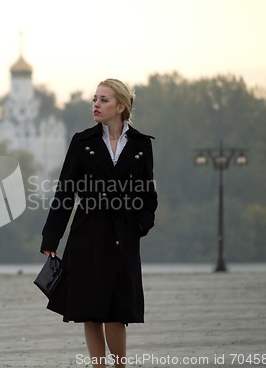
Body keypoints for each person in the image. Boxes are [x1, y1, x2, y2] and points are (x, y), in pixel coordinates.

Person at [40, 78, 158, 368]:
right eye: (95, 99)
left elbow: (148, 194)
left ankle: (119, 365)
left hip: (124, 236)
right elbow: (65, 191)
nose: (96, 104)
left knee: (118, 310)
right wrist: (51, 239)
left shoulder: (141, 144)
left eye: (103, 100)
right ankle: (98, 366)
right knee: (90, 309)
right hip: (87, 234)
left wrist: (140, 226)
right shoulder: (83, 142)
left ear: (121, 106)